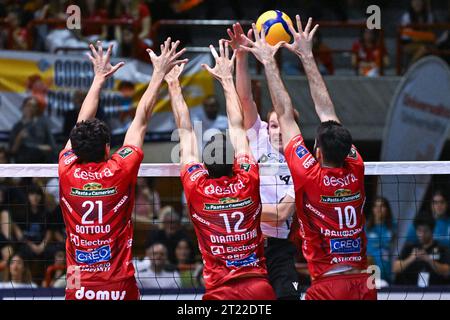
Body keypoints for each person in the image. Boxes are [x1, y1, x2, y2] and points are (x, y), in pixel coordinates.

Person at [241, 16, 376, 300]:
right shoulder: (356, 165)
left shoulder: (309, 175)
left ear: (317, 152)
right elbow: (328, 113)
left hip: (329, 284)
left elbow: (286, 114)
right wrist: (307, 55)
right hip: (364, 283)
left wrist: (268, 62)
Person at [58, 39, 186, 300]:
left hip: (78, 287)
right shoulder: (119, 168)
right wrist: (159, 75)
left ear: (76, 146)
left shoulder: (66, 167)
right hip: (119, 285)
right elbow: (140, 120)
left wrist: (98, 79)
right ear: (108, 149)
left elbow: (80, 124)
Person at [168, 40, 275, 300]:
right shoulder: (248, 178)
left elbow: (185, 131)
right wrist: (226, 79)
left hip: (221, 291)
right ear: (235, 163)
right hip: (259, 286)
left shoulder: (197, 186)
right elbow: (238, 128)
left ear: (204, 167)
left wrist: (172, 83)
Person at [226, 22, 299, 300]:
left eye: (280, 125)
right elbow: (245, 99)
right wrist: (241, 55)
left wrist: (242, 209)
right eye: (271, 125)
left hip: (279, 248)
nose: (275, 129)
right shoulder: (258, 140)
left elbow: (282, 214)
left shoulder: (298, 161)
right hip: (248, 245)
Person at [393, 214, 450, 286]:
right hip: (410, 291)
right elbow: (395, 269)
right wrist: (411, 258)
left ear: (432, 231)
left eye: (425, 231)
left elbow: (447, 271)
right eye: (419, 230)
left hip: (435, 291)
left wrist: (428, 259)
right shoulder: (409, 248)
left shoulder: (442, 249)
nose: (422, 234)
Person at [9, 97, 56, 164]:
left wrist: (38, 147)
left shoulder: (43, 125)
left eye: (34, 106)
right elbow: (12, 151)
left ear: (36, 109)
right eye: (28, 105)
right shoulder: (17, 126)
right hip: (22, 164)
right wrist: (19, 138)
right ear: (23, 107)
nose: (30, 108)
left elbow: (52, 147)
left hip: (40, 163)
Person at [366, 197, 395, 284]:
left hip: (387, 273)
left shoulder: (393, 227)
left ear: (387, 209)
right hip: (371, 273)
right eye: (376, 206)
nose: (378, 209)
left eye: (382, 206)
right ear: (373, 209)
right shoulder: (365, 227)